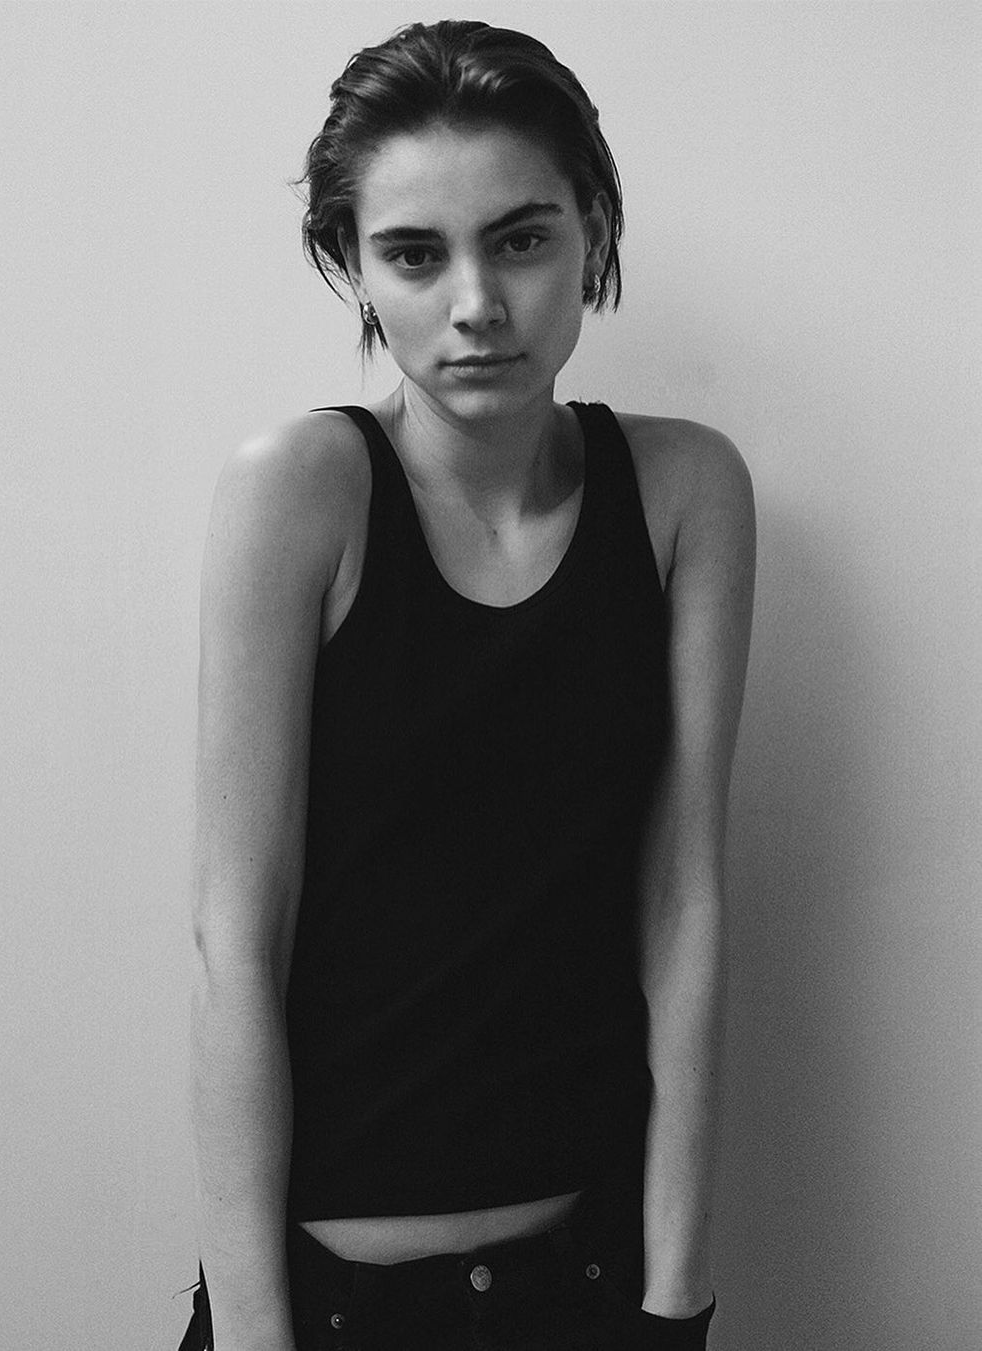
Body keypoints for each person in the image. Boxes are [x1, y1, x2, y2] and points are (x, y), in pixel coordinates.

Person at [181, 19, 755, 1351]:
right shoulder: (300, 492)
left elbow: (684, 899)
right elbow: (235, 942)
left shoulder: (685, 492)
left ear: (592, 233)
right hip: (335, 1305)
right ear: (350, 265)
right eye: (414, 254)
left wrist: (676, 1302)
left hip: (593, 1284)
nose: (477, 304)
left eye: (521, 239)